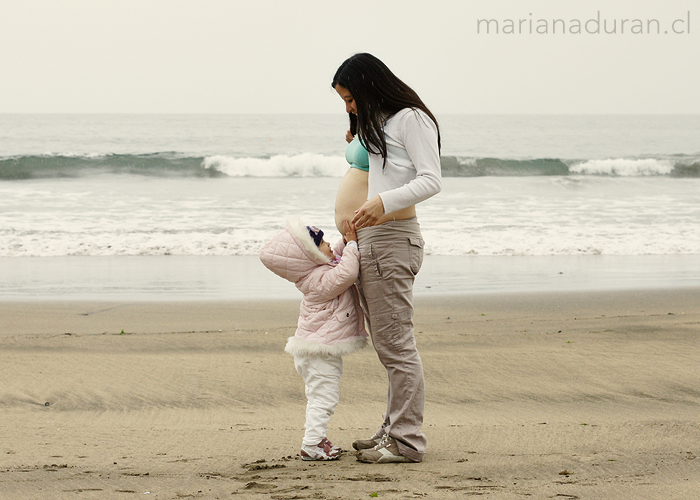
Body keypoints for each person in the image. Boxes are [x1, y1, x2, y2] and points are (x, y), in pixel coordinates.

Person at [332, 53, 442, 464]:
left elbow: (431, 179)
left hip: (392, 240)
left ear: (368, 85)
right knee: (388, 344)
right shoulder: (382, 124)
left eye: (350, 98)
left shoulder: (411, 117)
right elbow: (388, 171)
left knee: (397, 346)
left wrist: (381, 202)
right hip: (374, 241)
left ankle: (407, 441)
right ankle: (391, 430)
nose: (349, 107)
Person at [259, 216, 368, 461]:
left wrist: (345, 238)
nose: (329, 244)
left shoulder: (316, 271)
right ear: (310, 256)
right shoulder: (317, 281)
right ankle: (311, 445)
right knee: (324, 399)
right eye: (322, 243)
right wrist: (352, 245)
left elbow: (337, 258)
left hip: (316, 350)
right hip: (318, 352)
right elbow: (347, 272)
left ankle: (317, 439)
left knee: (319, 397)